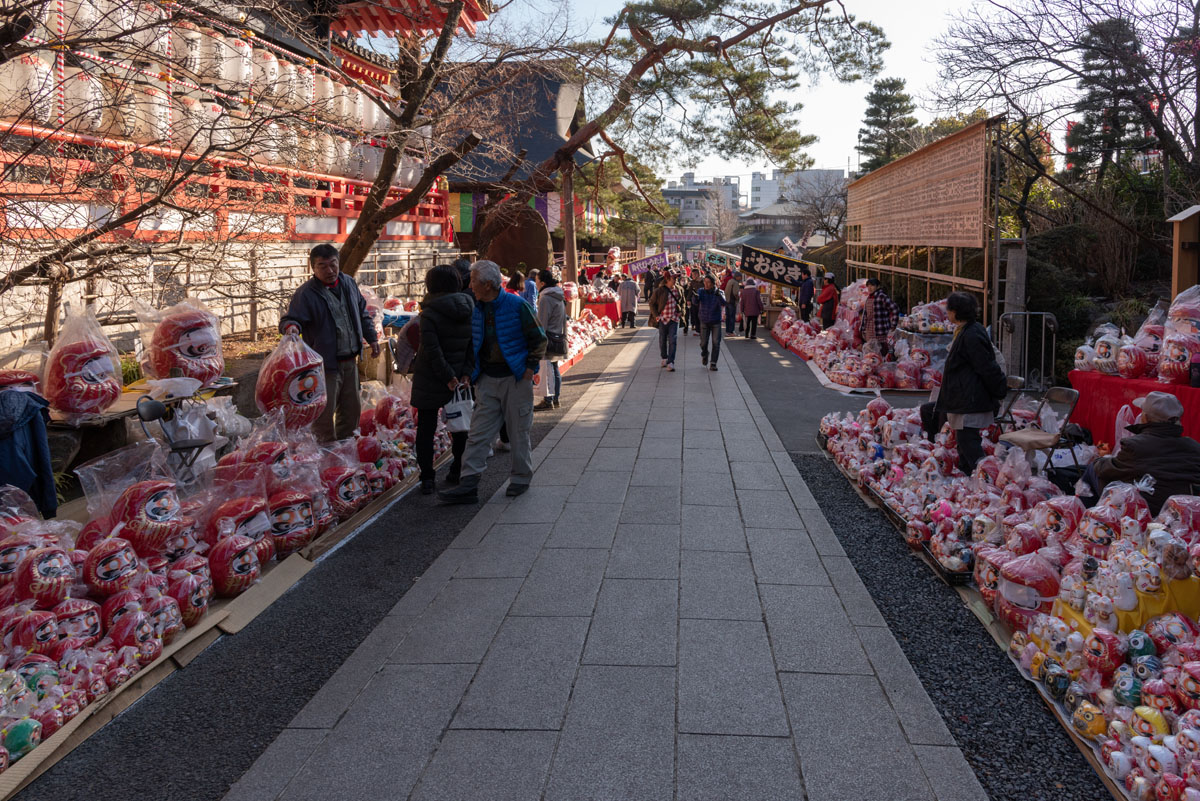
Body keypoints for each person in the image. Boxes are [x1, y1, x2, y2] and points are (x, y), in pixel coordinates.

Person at [439, 261, 547, 504]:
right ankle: (469, 483)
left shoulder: (517, 305)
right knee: (478, 433)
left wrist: (529, 368)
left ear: (488, 284)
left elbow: (539, 339)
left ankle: (520, 478)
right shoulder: (476, 307)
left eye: (474, 280)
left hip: (516, 378)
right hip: (486, 378)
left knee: (519, 432)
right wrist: (470, 372)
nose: (470, 284)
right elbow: (474, 343)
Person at [280, 244, 381, 442]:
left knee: (351, 412)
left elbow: (362, 313)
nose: (329, 270)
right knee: (323, 417)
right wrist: (291, 327)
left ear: (338, 263)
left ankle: (346, 456)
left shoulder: (349, 283)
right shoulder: (306, 293)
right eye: (322, 266)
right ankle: (326, 458)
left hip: (350, 362)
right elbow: (291, 319)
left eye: (333, 264)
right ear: (313, 268)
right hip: (324, 366)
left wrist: (372, 339)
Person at [411, 265, 474, 494]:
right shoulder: (470, 308)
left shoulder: (429, 313)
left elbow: (431, 349)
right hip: (459, 378)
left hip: (431, 376)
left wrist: (447, 376)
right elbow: (472, 345)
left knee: (426, 428)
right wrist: (465, 373)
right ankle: (457, 468)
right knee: (460, 426)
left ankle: (427, 477)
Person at [1084, 392, 1200, 515]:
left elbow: (1107, 469)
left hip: (1145, 509)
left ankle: (1091, 522)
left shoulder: (1135, 445)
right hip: (1181, 511)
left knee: (1094, 468)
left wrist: (1102, 459)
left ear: (1145, 417)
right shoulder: (1194, 446)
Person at [931, 292, 1007, 475]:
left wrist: (999, 389)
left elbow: (986, 366)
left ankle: (987, 477)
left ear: (956, 312)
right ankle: (969, 476)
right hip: (965, 395)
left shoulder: (971, 334)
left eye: (949, 310)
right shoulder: (967, 330)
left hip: (970, 397)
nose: (947, 313)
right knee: (964, 441)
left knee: (968, 440)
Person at [534, 269, 565, 411]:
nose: (536, 284)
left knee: (547, 368)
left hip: (548, 337)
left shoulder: (545, 298)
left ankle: (548, 400)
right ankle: (556, 398)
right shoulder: (558, 295)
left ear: (543, 283)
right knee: (554, 367)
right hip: (558, 335)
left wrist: (538, 338)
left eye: (537, 281)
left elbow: (542, 321)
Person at [648, 270, 683, 372]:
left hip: (674, 319)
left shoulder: (678, 289)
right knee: (662, 339)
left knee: (673, 339)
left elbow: (682, 302)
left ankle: (671, 362)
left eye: (676, 278)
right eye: (674, 278)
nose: (676, 280)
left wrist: (682, 312)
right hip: (663, 319)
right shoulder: (659, 291)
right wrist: (656, 316)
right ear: (667, 279)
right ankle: (664, 357)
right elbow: (651, 303)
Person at [860, 277, 900, 357]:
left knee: (881, 353)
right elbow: (865, 315)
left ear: (877, 286)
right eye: (868, 286)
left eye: (872, 285)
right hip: (869, 332)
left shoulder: (881, 296)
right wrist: (863, 328)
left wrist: (893, 324)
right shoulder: (869, 298)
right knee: (871, 355)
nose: (869, 288)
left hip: (880, 331)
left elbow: (895, 309)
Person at [696, 274, 725, 371]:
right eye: (705, 282)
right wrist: (694, 298)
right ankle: (705, 354)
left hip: (716, 321)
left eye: (708, 282)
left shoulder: (719, 292)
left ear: (713, 283)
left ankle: (713, 363)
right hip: (704, 320)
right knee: (703, 343)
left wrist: (719, 296)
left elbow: (724, 303)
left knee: (716, 342)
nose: (706, 284)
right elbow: (695, 301)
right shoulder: (701, 291)